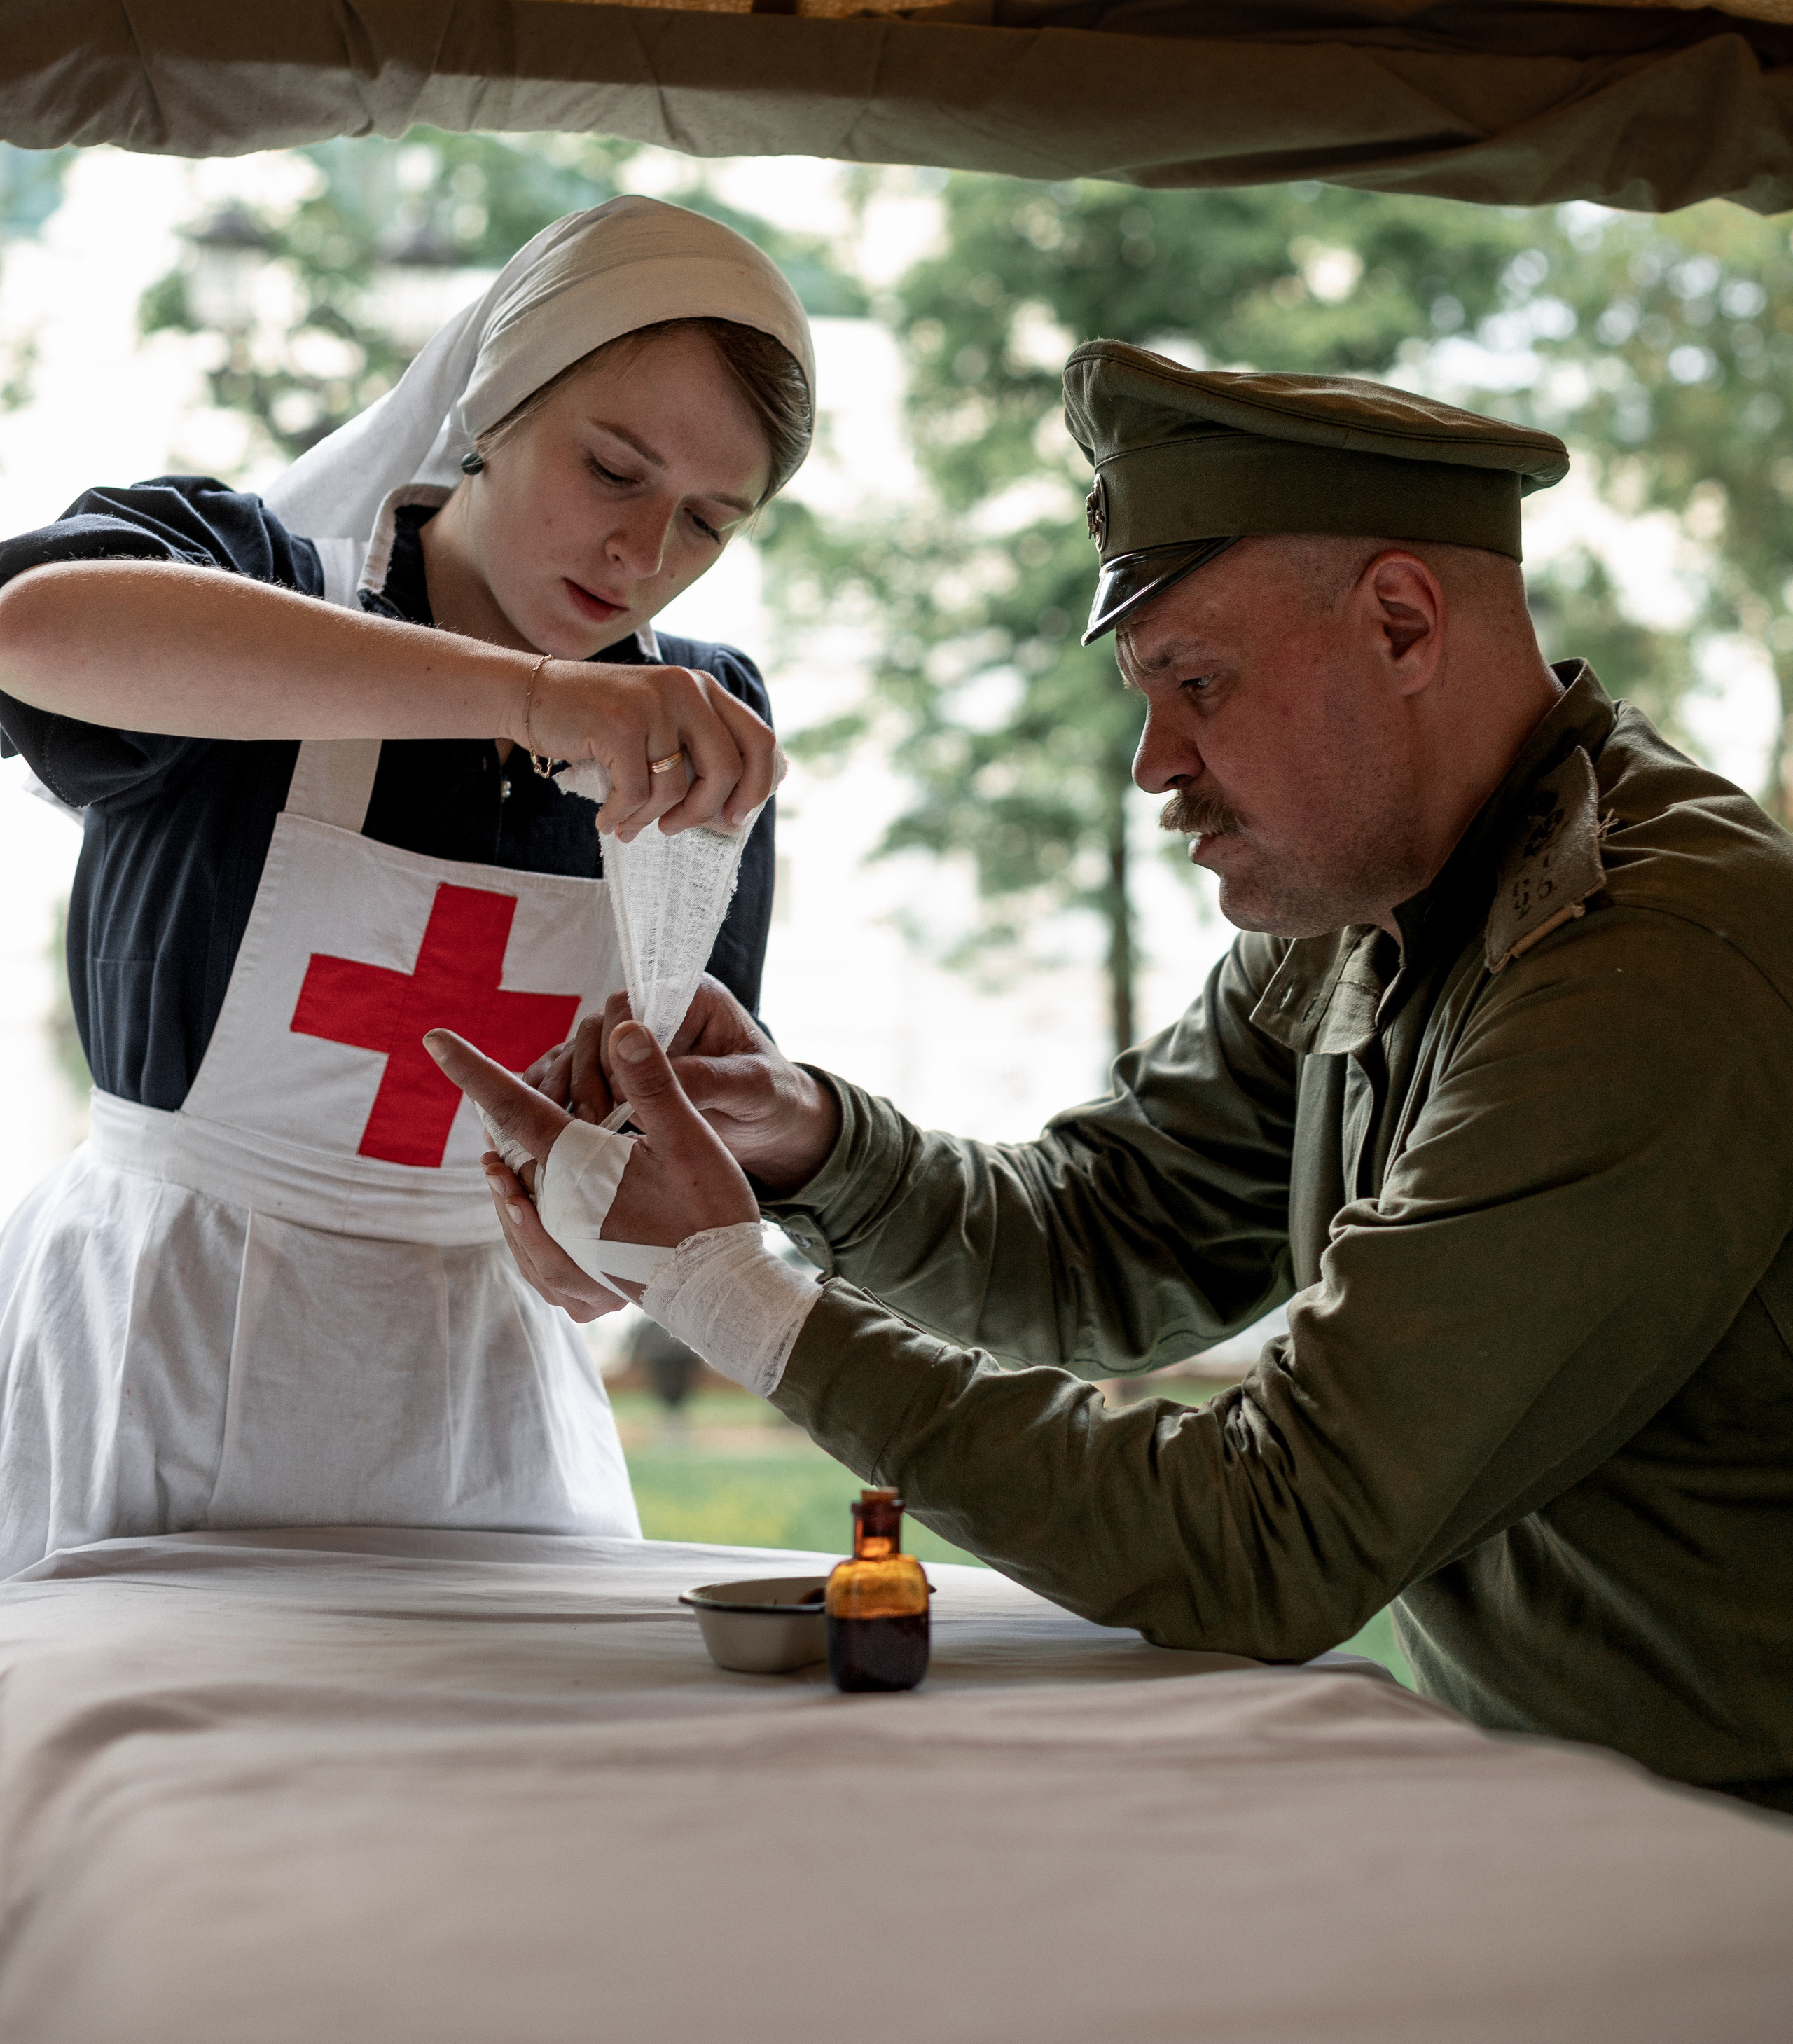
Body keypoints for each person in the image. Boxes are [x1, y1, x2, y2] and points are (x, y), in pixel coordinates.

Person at [436, 348, 1793, 1813]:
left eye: (1196, 683)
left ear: (1401, 623)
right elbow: (1102, 1239)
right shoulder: (1389, 892)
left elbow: (1269, 1536)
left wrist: (721, 1286)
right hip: (1581, 1827)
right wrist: (809, 1145)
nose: (1153, 766)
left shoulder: (1650, 963)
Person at [0, 195, 813, 1568]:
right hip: (158, 1337)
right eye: (613, 470)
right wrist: (532, 697)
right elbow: (33, 630)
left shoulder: (701, 723)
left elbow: (674, 1096)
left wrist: (613, 1237)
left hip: (485, 1391)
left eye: (706, 523)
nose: (642, 557)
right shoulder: (248, 574)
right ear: (492, 402)